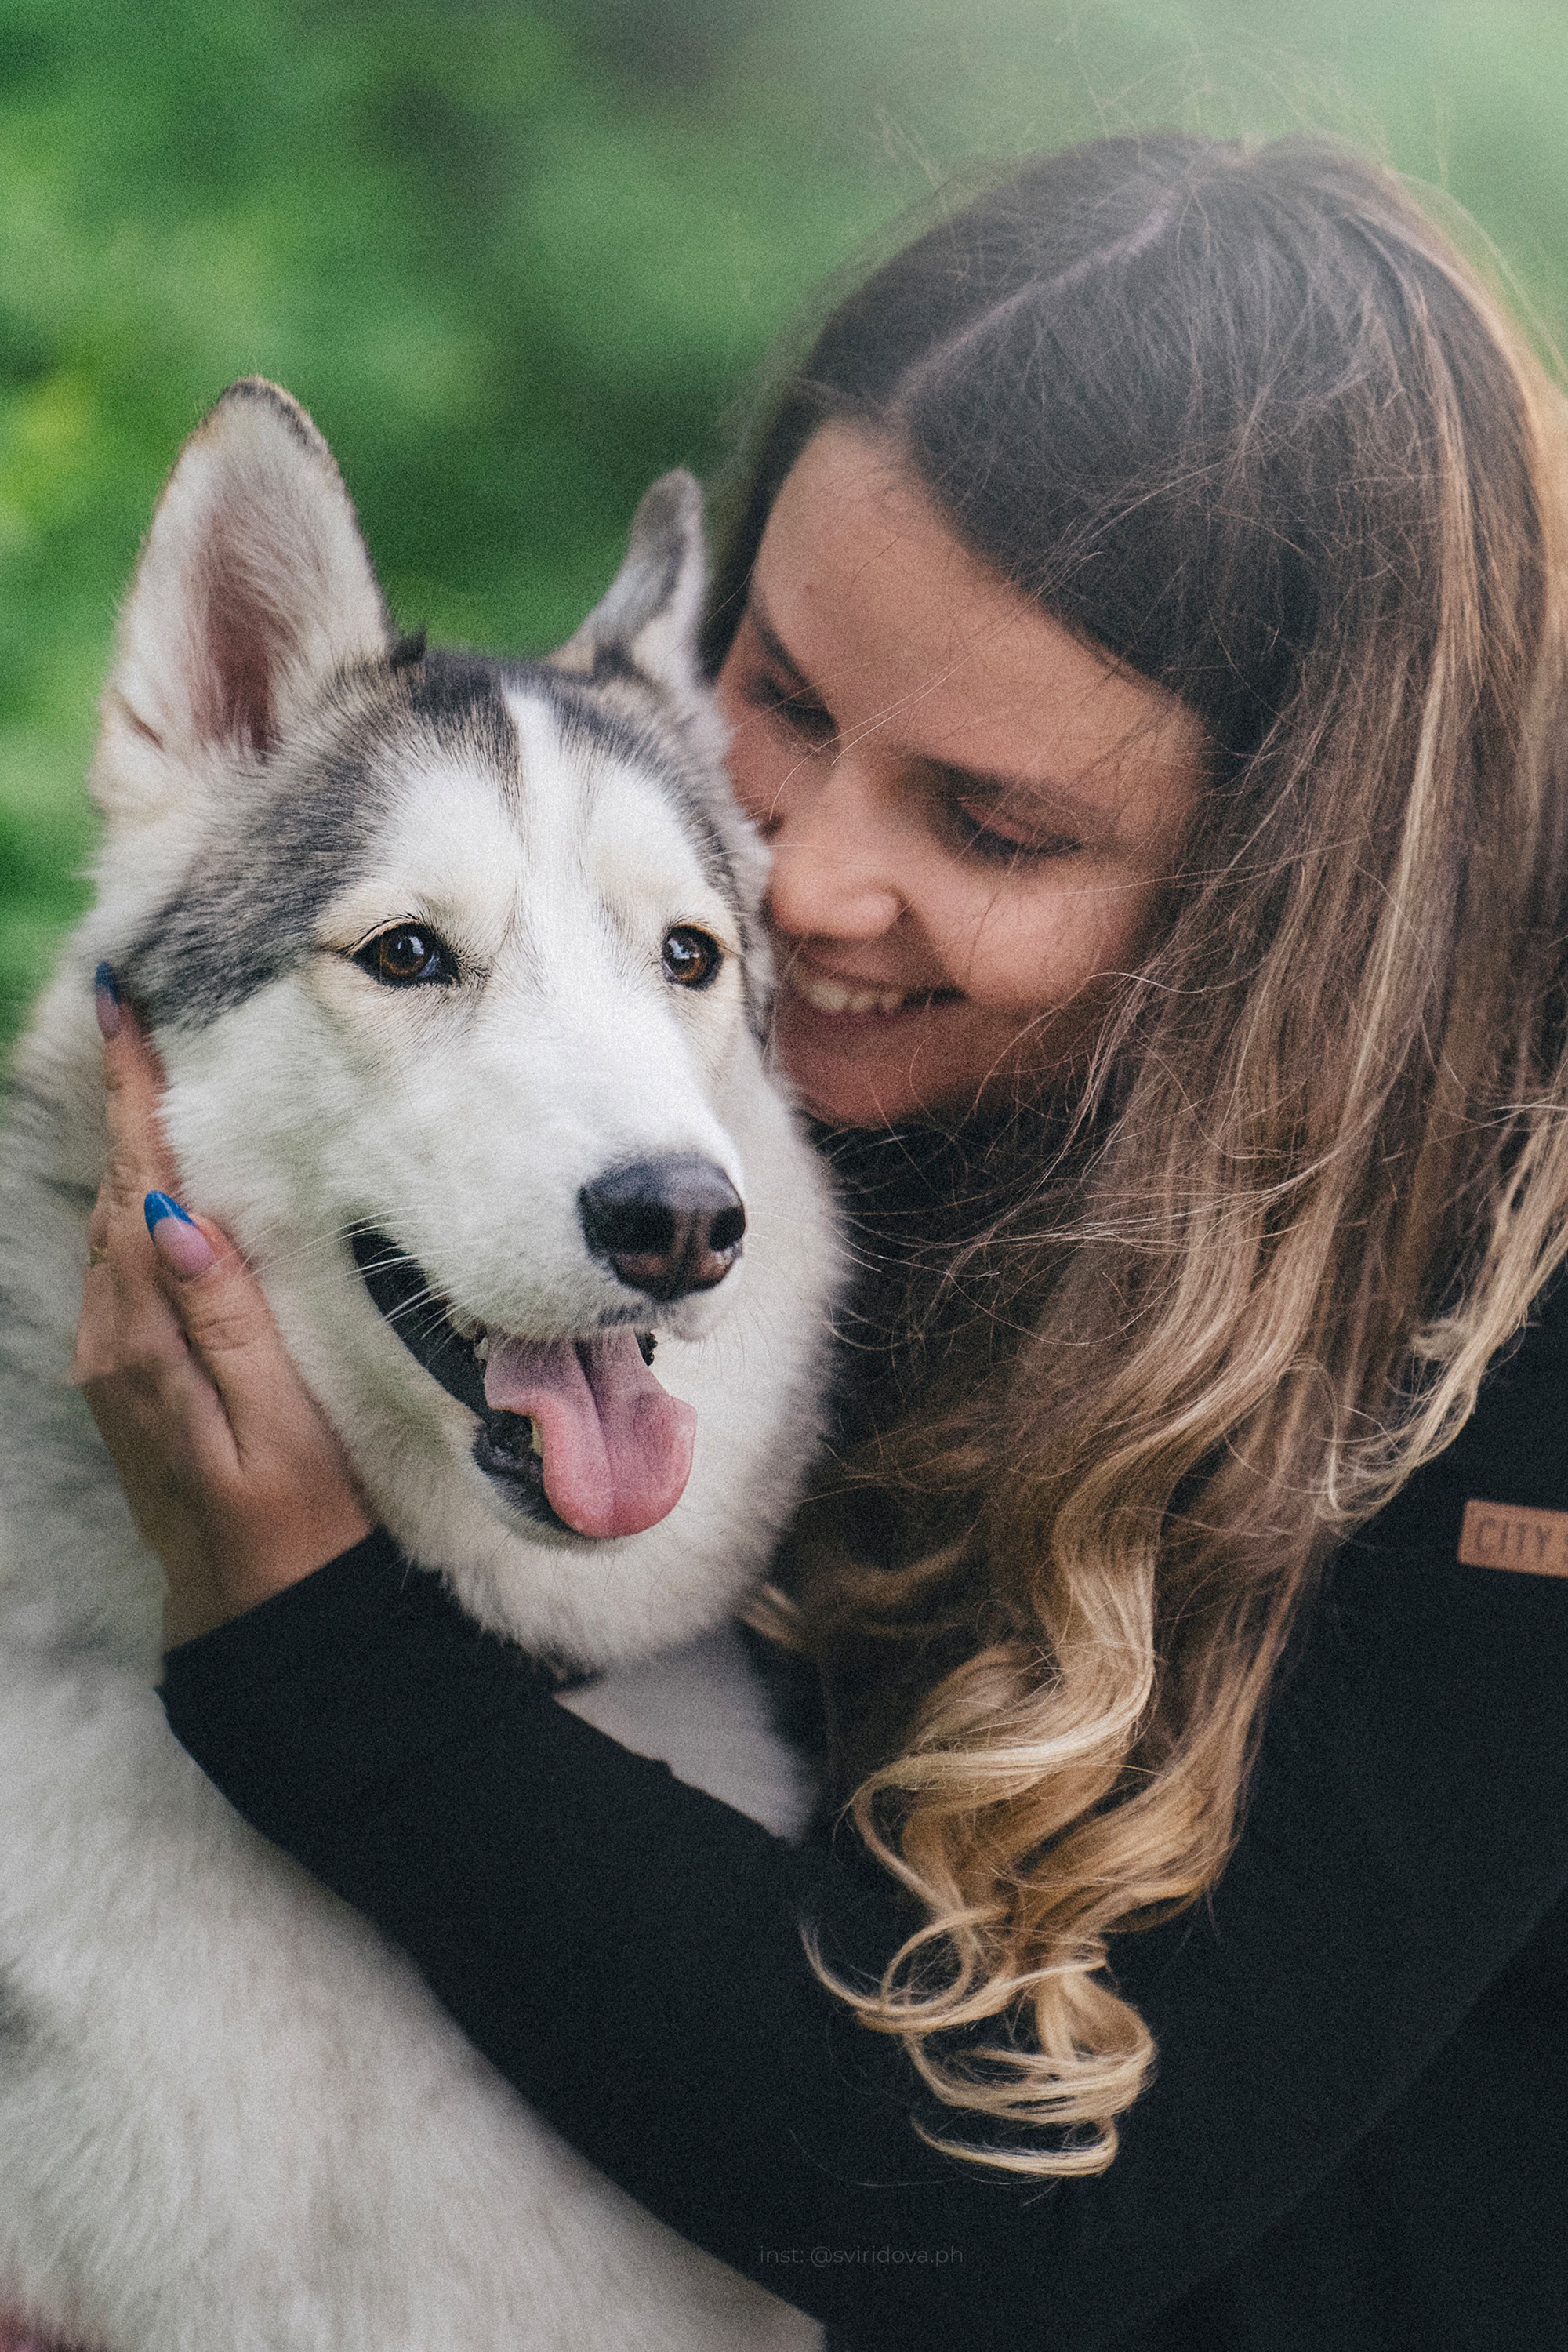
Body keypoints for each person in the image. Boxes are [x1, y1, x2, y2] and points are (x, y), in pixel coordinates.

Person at [70, 134, 1568, 2349]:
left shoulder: (1513, 1355)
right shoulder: (790, 1064)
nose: (790, 882)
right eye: (775, 690)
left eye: (990, 820)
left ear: (1287, 893)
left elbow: (1011, 2222)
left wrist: (309, 1633)